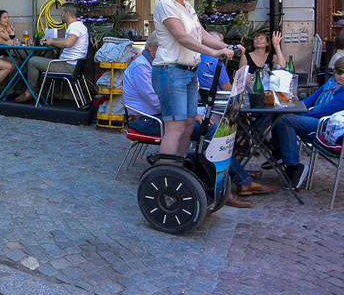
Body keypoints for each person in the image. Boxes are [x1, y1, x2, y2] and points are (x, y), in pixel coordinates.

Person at [124, 31, 272, 206]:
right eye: (165, 48)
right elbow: (158, 102)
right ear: (150, 47)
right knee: (209, 130)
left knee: (213, 127)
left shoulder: (159, 64)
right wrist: (192, 114)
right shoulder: (143, 67)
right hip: (148, 120)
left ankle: (224, 180)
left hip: (166, 115)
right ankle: (222, 184)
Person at [151, 0, 242, 157]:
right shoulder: (166, 5)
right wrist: (214, 53)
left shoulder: (188, 7)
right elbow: (181, 37)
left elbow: (203, 35)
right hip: (170, 71)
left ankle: (179, 168)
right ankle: (166, 171)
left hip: (190, 73)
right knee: (176, 128)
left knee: (190, 125)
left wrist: (227, 46)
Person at [271, 56, 344, 189]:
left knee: (286, 120)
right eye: (339, 72)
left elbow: (325, 112)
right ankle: (279, 151)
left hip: (328, 126)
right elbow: (310, 100)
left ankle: (294, 167)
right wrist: (292, 107)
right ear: (335, 72)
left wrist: (299, 114)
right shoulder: (331, 83)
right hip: (316, 119)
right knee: (279, 112)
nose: (342, 76)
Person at [15, 2, 88, 103]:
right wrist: (52, 40)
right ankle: (35, 91)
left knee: (33, 61)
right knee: (37, 61)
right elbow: (67, 40)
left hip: (68, 66)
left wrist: (52, 41)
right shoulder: (80, 26)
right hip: (74, 66)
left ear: (67, 14)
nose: (60, 15)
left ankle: (30, 92)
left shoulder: (75, 27)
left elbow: (68, 43)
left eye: (62, 12)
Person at [198, 30, 233, 102]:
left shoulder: (195, 58)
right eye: (222, 41)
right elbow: (227, 88)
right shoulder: (217, 62)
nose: (223, 44)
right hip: (218, 100)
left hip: (199, 100)